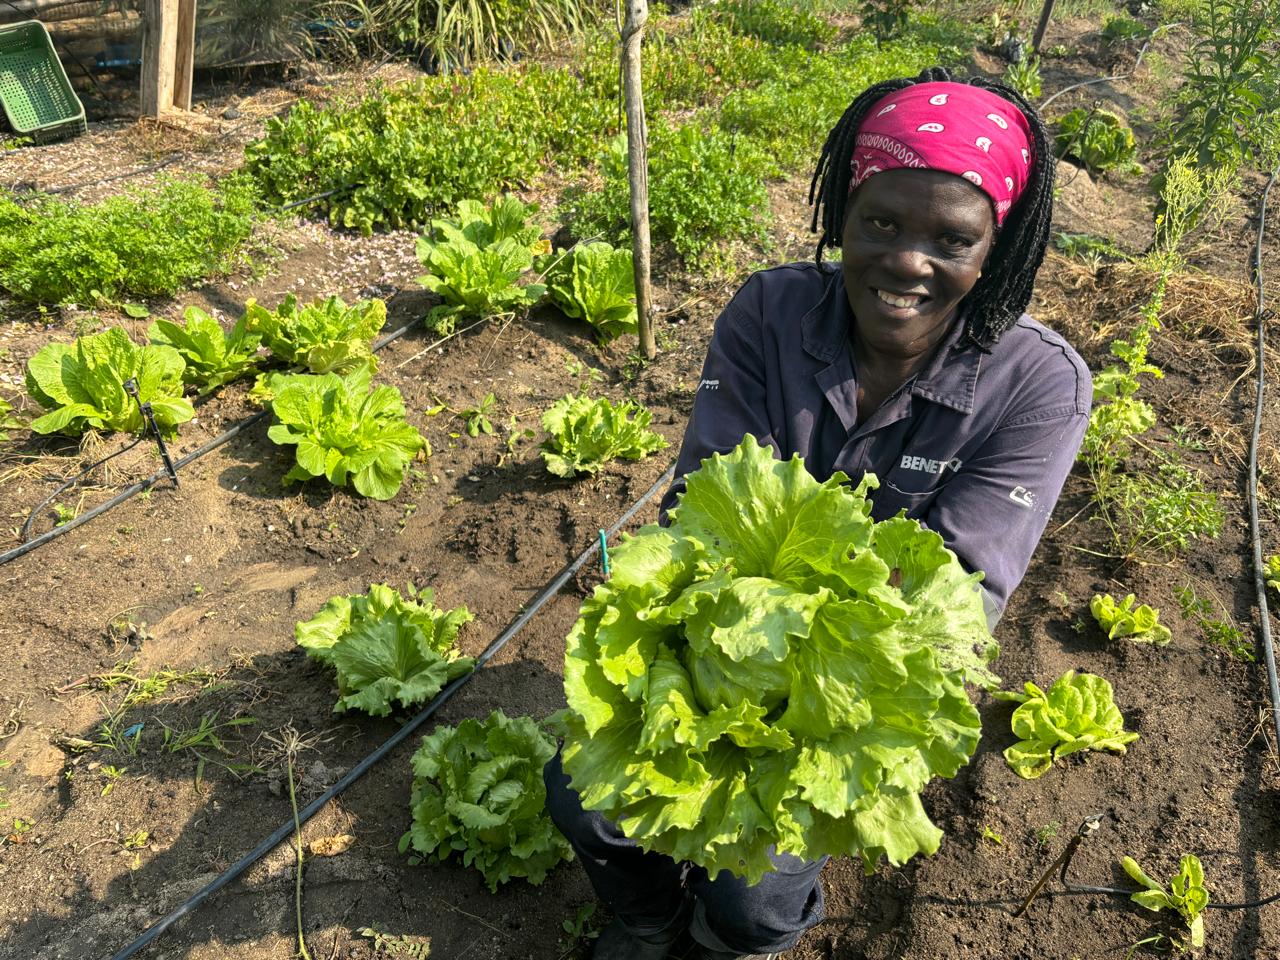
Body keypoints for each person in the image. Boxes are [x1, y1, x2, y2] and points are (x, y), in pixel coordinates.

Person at [544, 66, 1091, 960]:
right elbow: (703, 507)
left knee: (754, 901)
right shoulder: (770, 311)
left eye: (951, 239)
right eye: (881, 223)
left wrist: (811, 665)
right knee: (583, 797)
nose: (908, 262)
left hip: (850, 710)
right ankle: (645, 918)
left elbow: (958, 595)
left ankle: (736, 946)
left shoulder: (1036, 384)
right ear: (842, 212)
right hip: (707, 669)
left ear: (995, 247)